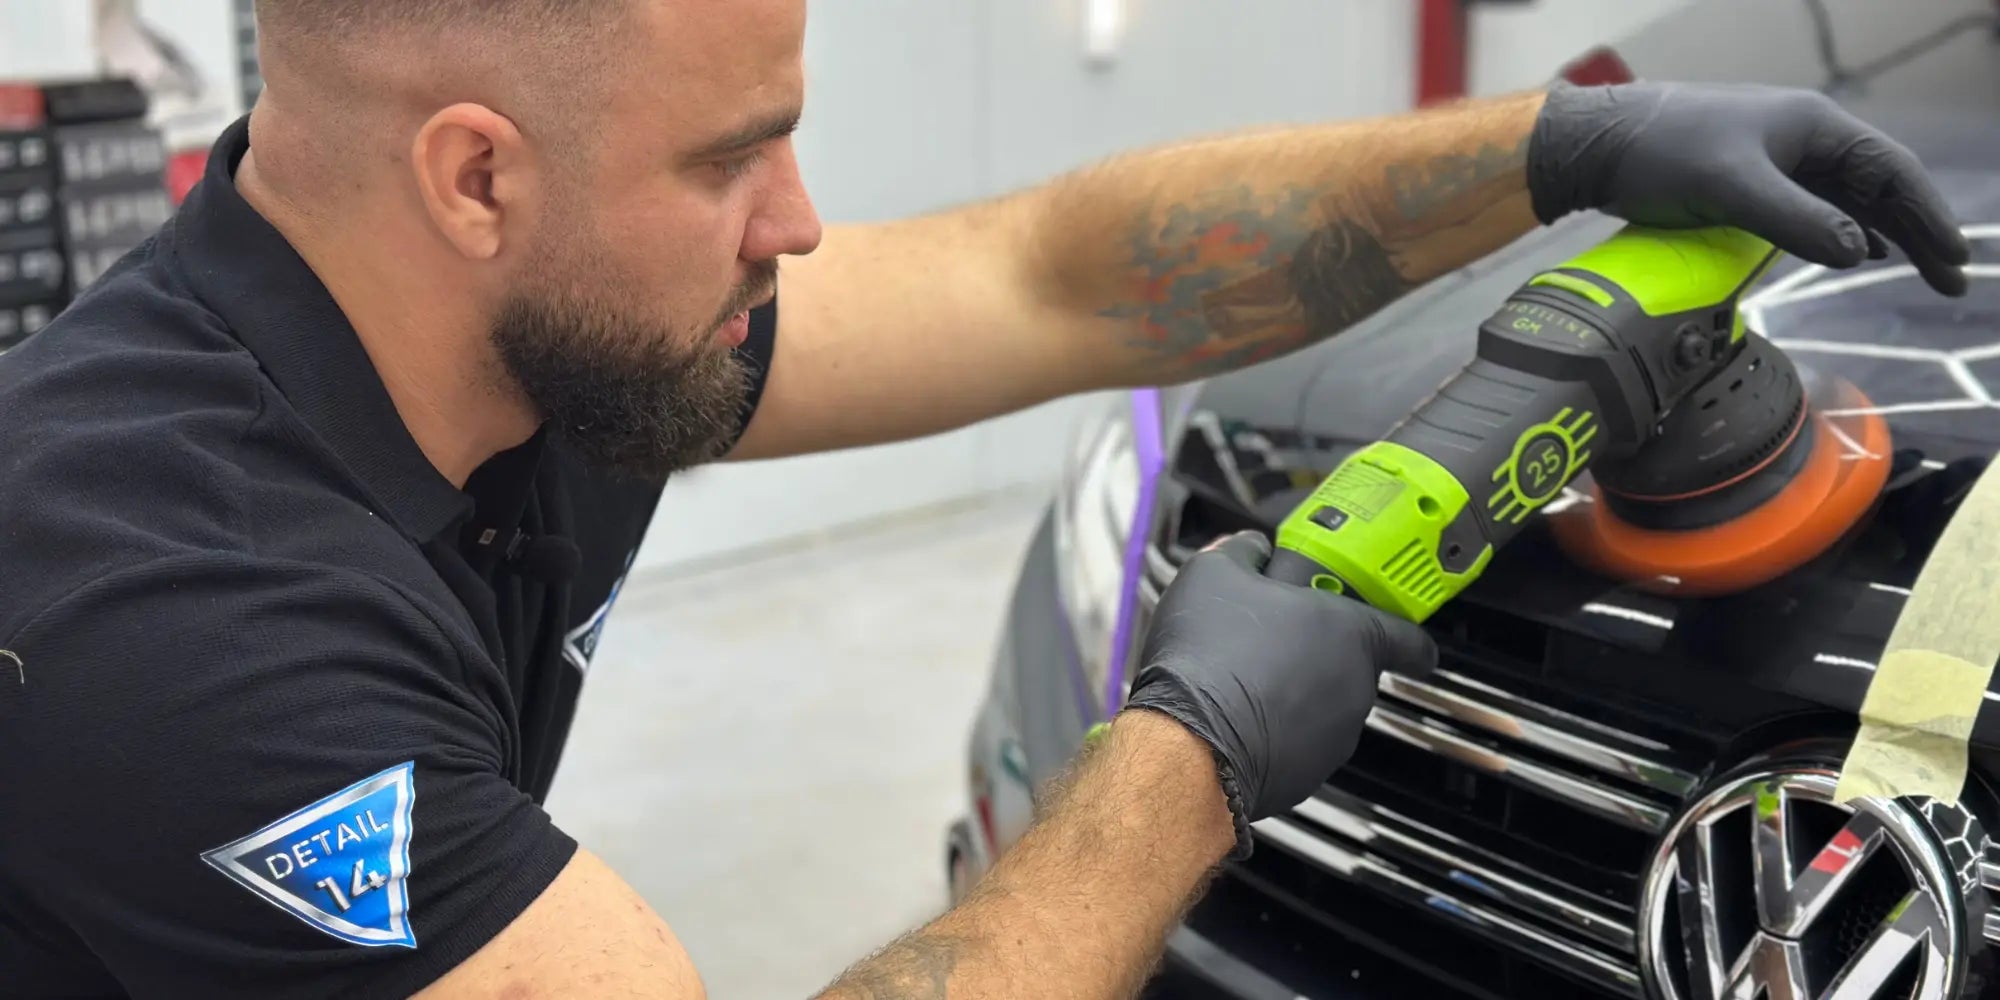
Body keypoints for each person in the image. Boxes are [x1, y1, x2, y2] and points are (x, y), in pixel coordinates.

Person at [0, 0, 1970, 997]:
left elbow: (1055, 277)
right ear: (478, 178)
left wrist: (1562, 148)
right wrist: (1189, 756)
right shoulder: (172, 620)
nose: (795, 223)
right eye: (729, 161)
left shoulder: (524, 331)